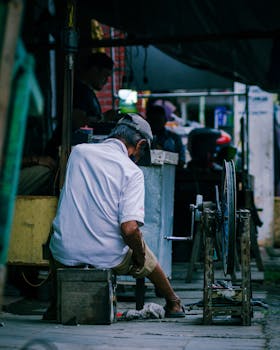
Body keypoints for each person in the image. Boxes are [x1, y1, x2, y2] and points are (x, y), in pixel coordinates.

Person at [43, 113, 185, 321]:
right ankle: (173, 303)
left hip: (65, 252)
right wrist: (139, 254)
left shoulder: (78, 153)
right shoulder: (131, 171)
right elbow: (129, 229)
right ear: (140, 144)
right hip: (107, 256)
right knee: (146, 254)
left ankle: (56, 305)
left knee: (57, 238)